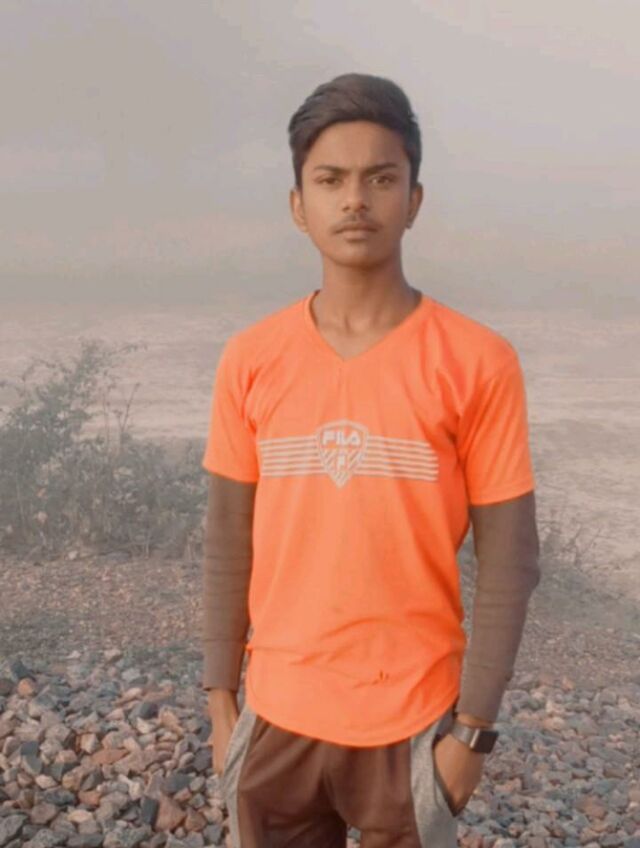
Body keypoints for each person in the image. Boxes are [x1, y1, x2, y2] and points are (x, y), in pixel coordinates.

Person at [201, 72, 541, 848]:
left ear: (414, 200)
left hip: (414, 722)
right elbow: (227, 540)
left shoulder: (478, 361)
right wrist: (223, 706)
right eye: (331, 180)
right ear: (299, 205)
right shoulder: (251, 359)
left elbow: (511, 561)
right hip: (276, 719)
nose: (355, 200)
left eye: (380, 179)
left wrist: (472, 736)